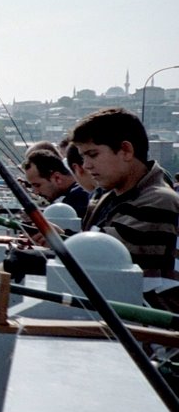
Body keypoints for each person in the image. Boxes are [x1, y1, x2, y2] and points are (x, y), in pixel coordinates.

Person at [72, 107, 179, 312]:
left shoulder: (159, 201)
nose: (86, 165)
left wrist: (24, 262)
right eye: (83, 157)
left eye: (92, 154)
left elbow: (106, 260)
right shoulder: (108, 198)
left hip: (152, 334)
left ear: (126, 151)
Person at [21, 148, 90, 217]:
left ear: (57, 178)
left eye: (37, 185)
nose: (36, 192)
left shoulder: (77, 198)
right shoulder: (77, 194)